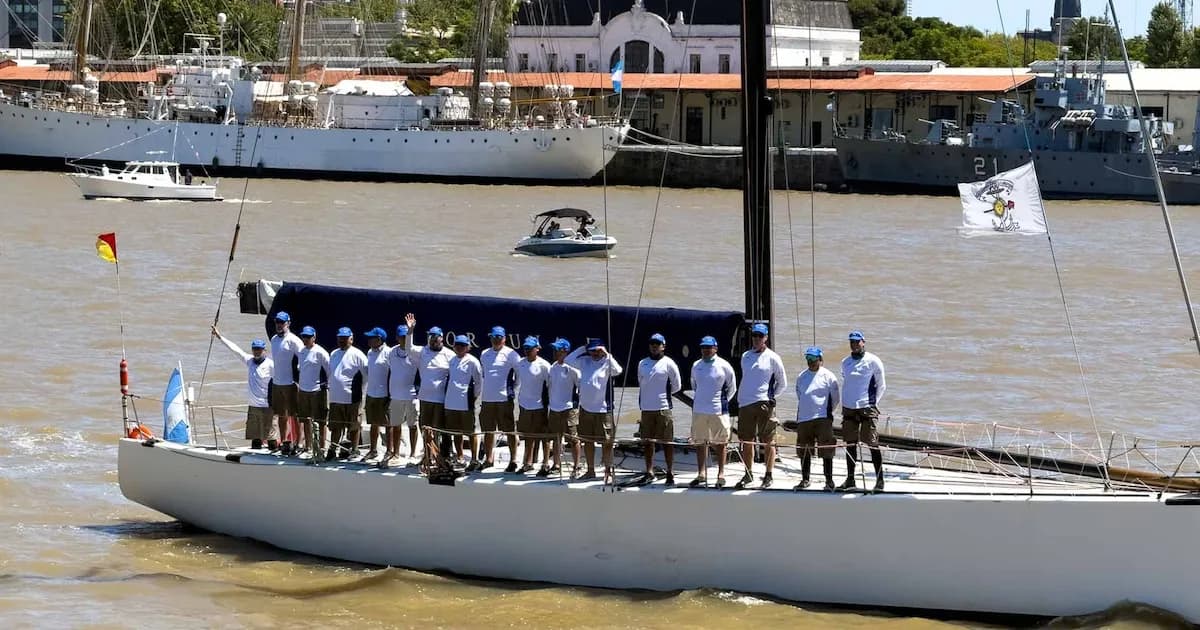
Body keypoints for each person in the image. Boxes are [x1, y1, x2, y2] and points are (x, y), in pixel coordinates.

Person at [735, 323, 787, 489]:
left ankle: (768, 474)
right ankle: (748, 473)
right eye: (754, 335)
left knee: (768, 440)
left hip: (764, 403)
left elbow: (782, 382)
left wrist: (770, 397)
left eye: (760, 336)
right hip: (745, 403)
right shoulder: (746, 356)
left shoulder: (773, 357)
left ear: (765, 338)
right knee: (746, 440)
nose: (756, 339)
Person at [568, 338, 623, 483]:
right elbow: (568, 360)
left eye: (597, 350)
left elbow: (618, 370)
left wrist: (607, 354)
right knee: (587, 441)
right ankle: (590, 470)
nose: (595, 353)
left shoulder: (607, 363)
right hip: (586, 408)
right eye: (592, 350)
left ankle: (608, 471)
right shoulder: (584, 361)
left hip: (603, 409)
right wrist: (583, 348)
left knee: (607, 442)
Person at [212, 327, 275, 450]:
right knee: (255, 439)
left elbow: (281, 380)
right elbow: (235, 349)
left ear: (264, 350)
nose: (257, 352)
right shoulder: (249, 361)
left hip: (268, 406)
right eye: (254, 349)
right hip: (253, 406)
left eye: (259, 349)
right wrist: (220, 337)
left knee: (271, 437)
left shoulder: (271, 365)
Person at [840, 330, 887, 492]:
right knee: (850, 444)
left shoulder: (873, 361)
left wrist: (873, 403)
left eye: (857, 341)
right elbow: (846, 381)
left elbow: (881, 385)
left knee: (872, 443)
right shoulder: (845, 362)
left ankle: (880, 480)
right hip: (849, 408)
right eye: (851, 342)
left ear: (863, 342)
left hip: (867, 408)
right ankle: (851, 479)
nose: (854, 344)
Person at [405, 313, 453, 470]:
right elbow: (408, 348)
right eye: (431, 337)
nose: (433, 340)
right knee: (425, 430)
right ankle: (427, 456)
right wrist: (410, 331)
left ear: (442, 338)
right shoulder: (422, 352)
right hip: (424, 399)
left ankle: (439, 458)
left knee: (438, 431)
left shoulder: (449, 355)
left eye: (436, 337)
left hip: (440, 400)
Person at [689, 335, 736, 488]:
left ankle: (720, 474)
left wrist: (720, 402)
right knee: (700, 442)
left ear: (715, 348)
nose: (706, 350)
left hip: (718, 410)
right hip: (699, 410)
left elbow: (732, 388)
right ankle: (701, 473)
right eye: (703, 347)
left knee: (721, 442)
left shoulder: (724, 365)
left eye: (709, 347)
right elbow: (694, 386)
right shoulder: (696, 365)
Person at [637, 333, 682, 485]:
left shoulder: (669, 363)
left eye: (657, 344)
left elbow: (677, 386)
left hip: (663, 408)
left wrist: (663, 396)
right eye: (652, 343)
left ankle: (670, 471)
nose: (654, 346)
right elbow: (641, 382)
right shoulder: (642, 363)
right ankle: (649, 471)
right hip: (646, 409)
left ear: (663, 346)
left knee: (667, 442)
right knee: (648, 442)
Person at [793, 346, 839, 491]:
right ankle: (805, 479)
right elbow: (799, 394)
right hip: (804, 419)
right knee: (804, 450)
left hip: (823, 417)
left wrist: (827, 413)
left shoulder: (829, 376)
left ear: (820, 359)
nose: (810, 362)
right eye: (808, 359)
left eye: (813, 359)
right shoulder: (802, 376)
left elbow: (836, 399)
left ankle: (829, 480)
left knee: (826, 449)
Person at [478, 326, 522, 472]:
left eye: (499, 337)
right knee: (488, 431)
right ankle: (489, 459)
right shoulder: (484, 354)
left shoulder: (512, 354)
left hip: (504, 399)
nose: (496, 340)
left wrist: (511, 391)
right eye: (494, 337)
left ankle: (514, 460)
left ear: (504, 338)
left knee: (509, 430)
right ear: (490, 338)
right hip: (487, 399)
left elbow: (519, 376)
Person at [327, 327, 368, 460]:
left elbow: (366, 375)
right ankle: (332, 449)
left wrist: (360, 392)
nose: (342, 341)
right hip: (335, 398)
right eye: (340, 338)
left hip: (352, 397)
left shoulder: (358, 354)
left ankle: (354, 449)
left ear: (351, 339)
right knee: (335, 426)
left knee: (354, 426)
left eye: (345, 338)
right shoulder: (333, 353)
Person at [269, 311, 304, 456]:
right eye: (277, 322)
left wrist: (299, 372)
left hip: (290, 383)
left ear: (288, 323)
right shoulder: (273, 339)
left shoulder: (294, 340)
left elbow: (304, 356)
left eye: (282, 322)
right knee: (281, 415)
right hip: (277, 383)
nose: (279, 325)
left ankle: (299, 442)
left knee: (295, 415)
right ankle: (285, 441)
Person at [515, 336, 551, 475]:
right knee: (528, 436)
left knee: (544, 436)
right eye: (525, 348)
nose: (527, 351)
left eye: (530, 348)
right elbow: (517, 381)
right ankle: (528, 463)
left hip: (539, 406)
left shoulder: (544, 365)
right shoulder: (520, 363)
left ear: (537, 349)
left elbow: (550, 386)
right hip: (524, 406)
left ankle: (546, 463)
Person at [446, 334, 483, 468]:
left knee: (470, 432)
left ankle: (474, 459)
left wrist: (474, 397)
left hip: (466, 402)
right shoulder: (451, 360)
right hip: (451, 402)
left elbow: (479, 382)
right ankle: (460, 457)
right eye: (457, 345)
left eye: (462, 345)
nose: (459, 348)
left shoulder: (473, 361)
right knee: (456, 432)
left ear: (468, 347)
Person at [546, 338, 582, 476]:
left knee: (573, 439)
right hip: (554, 409)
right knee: (556, 438)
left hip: (569, 409)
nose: (555, 352)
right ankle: (556, 464)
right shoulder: (552, 367)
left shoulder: (573, 369)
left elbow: (580, 388)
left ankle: (577, 465)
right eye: (554, 350)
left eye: (558, 350)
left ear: (565, 351)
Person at [387, 324, 421, 462]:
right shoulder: (391, 352)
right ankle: (395, 452)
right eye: (401, 336)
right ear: (396, 337)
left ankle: (413, 454)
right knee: (396, 426)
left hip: (411, 395)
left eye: (406, 337)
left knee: (413, 426)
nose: (403, 339)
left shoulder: (416, 353)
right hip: (395, 396)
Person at [296, 326, 330, 459]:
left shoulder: (321, 352)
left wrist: (326, 386)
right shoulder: (301, 351)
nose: (305, 339)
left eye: (308, 337)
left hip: (317, 391)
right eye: (303, 336)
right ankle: (308, 446)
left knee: (320, 421)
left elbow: (329, 370)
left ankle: (321, 447)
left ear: (314, 338)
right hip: (303, 390)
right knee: (305, 420)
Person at [363, 327, 391, 465]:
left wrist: (390, 394)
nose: (369, 340)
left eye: (371, 338)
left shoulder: (389, 353)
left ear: (379, 339)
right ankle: (373, 450)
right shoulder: (369, 352)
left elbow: (393, 373)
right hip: (371, 393)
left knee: (387, 424)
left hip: (384, 394)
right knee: (373, 423)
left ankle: (389, 451)